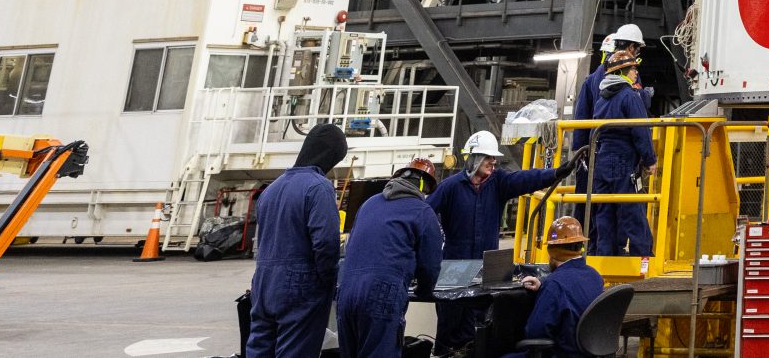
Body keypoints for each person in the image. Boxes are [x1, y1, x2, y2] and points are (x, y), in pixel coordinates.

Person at [430, 131, 581, 354]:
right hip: (454, 271)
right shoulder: (450, 187)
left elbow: (526, 179)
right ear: (473, 158)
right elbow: (424, 214)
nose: (493, 161)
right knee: (449, 326)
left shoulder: (498, 183)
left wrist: (555, 173)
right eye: (488, 157)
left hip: (485, 270)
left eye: (494, 157)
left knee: (481, 330)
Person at [245, 122, 347, 358]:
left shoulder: (271, 190)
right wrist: (328, 280)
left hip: (264, 282)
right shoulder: (319, 188)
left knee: (259, 348)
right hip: (300, 284)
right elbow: (326, 244)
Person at [338, 163, 443, 358]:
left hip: (346, 291)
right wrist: (424, 290)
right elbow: (430, 265)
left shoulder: (368, 204)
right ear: (423, 187)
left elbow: (352, 245)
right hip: (382, 293)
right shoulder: (422, 211)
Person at [573, 27, 656, 258]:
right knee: (632, 209)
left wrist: (581, 151)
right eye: (634, 68)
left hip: (598, 158)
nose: (636, 72)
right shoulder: (629, 92)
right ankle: (643, 257)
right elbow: (640, 128)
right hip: (623, 160)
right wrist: (649, 159)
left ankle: (602, 256)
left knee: (602, 211)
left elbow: (583, 118)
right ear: (631, 48)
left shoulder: (599, 89)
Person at [506, 215, 607, 358]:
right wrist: (543, 285)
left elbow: (535, 332)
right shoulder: (595, 276)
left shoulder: (554, 284)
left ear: (552, 251)